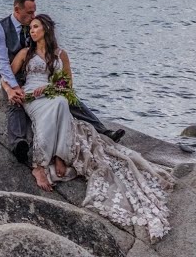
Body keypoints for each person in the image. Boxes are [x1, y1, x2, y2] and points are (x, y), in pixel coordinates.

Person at [12, 14, 174, 240]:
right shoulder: (25, 53)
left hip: (53, 95)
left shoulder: (60, 55)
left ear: (46, 29)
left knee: (61, 102)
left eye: (36, 27)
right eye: (30, 28)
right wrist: (14, 91)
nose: (32, 31)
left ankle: (60, 154)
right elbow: (8, 75)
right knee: (56, 107)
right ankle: (39, 165)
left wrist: (51, 89)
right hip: (32, 96)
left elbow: (67, 85)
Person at [0, 0, 123, 163]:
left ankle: (103, 131)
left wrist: (53, 80)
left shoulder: (33, 26)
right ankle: (18, 144)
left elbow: (46, 53)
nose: (33, 17)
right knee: (15, 104)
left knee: (68, 99)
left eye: (34, 12)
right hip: (12, 74)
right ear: (17, 9)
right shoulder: (0, 29)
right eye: (29, 13)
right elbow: (2, 64)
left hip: (36, 75)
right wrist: (11, 88)